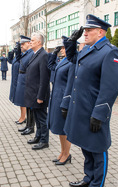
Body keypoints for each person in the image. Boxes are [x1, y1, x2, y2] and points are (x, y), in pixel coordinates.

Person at [63, 14, 118, 187]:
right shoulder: (89, 49)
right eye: (85, 30)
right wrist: (71, 42)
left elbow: (110, 87)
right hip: (81, 108)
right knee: (86, 146)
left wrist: (100, 113)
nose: (85, 33)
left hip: (94, 110)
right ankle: (88, 177)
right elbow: (73, 59)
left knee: (97, 148)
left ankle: (97, 184)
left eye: (89, 30)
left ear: (101, 32)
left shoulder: (109, 52)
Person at [47, 36, 74, 165]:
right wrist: (54, 53)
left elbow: (71, 83)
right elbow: (51, 66)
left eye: (64, 47)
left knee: (64, 129)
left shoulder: (73, 61)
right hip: (56, 97)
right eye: (62, 47)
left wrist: (66, 102)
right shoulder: (64, 60)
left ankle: (67, 154)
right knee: (59, 127)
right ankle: (62, 152)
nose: (62, 50)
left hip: (64, 98)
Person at [25, 32, 50, 150]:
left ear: (39, 42)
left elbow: (44, 78)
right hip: (33, 93)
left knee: (42, 118)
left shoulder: (44, 55)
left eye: (32, 41)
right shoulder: (36, 54)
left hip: (39, 94)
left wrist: (41, 96)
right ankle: (38, 136)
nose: (30, 42)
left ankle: (44, 140)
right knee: (37, 116)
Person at [14, 35, 35, 135]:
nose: (21, 46)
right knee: (26, 104)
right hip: (23, 79)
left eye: (23, 44)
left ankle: (31, 127)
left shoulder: (31, 54)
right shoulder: (26, 53)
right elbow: (18, 59)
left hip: (27, 80)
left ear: (29, 43)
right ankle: (28, 125)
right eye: (20, 44)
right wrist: (18, 49)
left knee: (29, 106)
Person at [8, 42, 26, 124]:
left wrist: (18, 52)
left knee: (22, 101)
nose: (20, 47)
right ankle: (22, 116)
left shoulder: (23, 56)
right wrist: (11, 52)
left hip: (21, 81)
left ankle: (23, 117)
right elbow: (10, 60)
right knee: (19, 101)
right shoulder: (17, 57)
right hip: (16, 81)